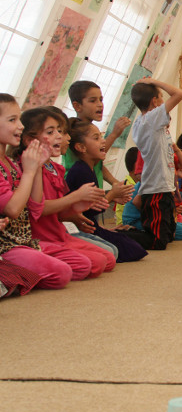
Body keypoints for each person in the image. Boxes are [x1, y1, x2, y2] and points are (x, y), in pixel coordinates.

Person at [18, 107, 115, 279]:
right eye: (51, 131)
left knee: (108, 258)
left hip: (59, 234)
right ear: (29, 140)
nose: (62, 137)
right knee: (89, 264)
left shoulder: (56, 168)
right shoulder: (28, 168)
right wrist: (77, 197)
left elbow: (61, 211)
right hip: (41, 238)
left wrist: (84, 204)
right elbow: (39, 209)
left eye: (60, 131)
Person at [0, 94, 71, 289]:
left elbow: (36, 208)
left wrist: (37, 167)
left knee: (96, 260)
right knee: (62, 272)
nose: (20, 126)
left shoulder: (13, 163)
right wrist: (30, 171)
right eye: (13, 120)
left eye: (19, 120)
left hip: (24, 241)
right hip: (7, 245)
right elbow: (13, 210)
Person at [65, 121, 148, 262]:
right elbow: (90, 211)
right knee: (129, 249)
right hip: (82, 228)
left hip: (92, 226)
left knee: (131, 244)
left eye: (101, 136)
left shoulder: (88, 168)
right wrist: (111, 195)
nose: (103, 141)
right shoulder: (80, 171)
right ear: (81, 147)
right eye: (96, 138)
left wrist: (112, 197)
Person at [129, 77, 182, 250]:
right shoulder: (149, 119)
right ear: (154, 101)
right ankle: (122, 234)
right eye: (161, 97)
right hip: (156, 189)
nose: (164, 101)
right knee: (157, 241)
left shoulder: (146, 121)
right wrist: (155, 81)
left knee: (169, 235)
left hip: (164, 186)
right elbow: (179, 93)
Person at [65, 81, 133, 190]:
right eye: (92, 100)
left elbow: (98, 164)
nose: (100, 104)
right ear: (77, 106)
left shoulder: (91, 128)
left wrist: (115, 183)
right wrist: (114, 134)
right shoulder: (74, 132)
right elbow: (95, 158)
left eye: (101, 100)